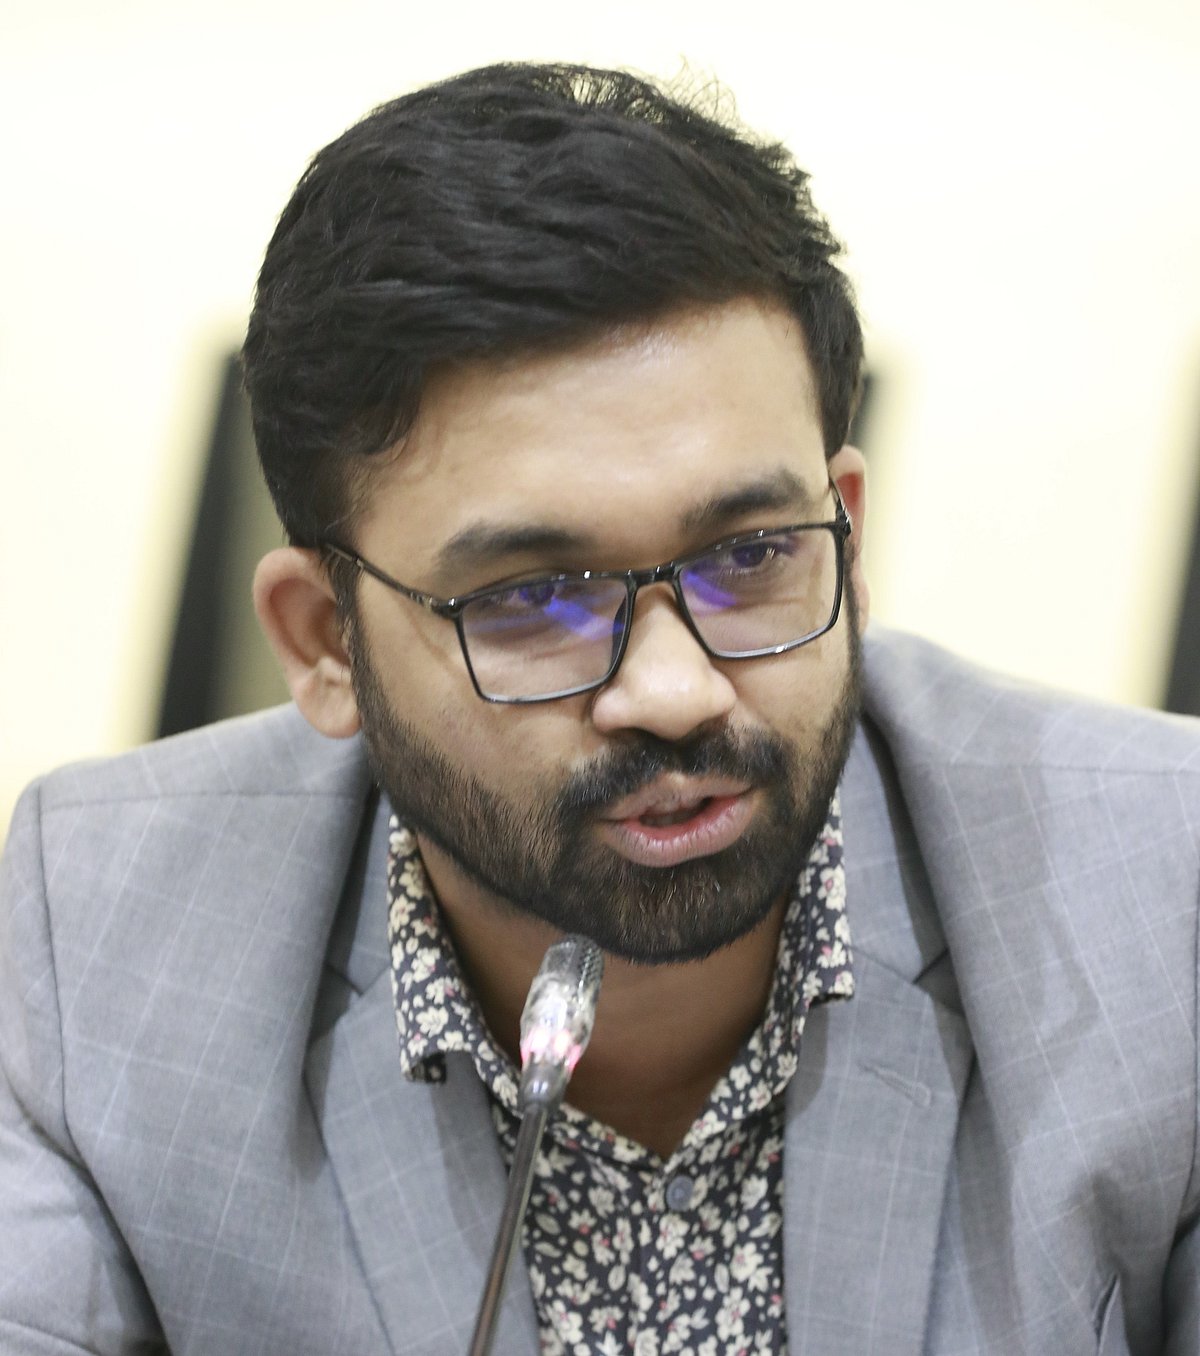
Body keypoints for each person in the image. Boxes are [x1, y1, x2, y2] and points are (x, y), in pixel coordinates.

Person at [0, 60, 1197, 1356]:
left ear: (847, 535)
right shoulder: (101, 945)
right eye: (535, 597)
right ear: (325, 642)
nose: (675, 690)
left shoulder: (1163, 897)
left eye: (752, 556)